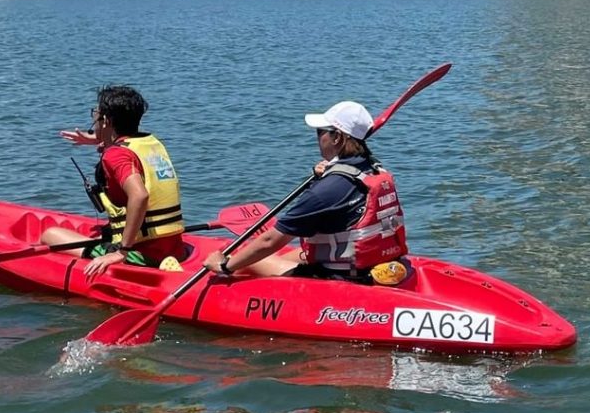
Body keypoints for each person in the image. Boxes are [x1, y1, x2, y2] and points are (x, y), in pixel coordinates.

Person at [202, 99, 407, 283]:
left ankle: (227, 277)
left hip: (344, 277)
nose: (317, 138)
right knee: (291, 255)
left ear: (336, 137)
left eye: (320, 132)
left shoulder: (327, 190)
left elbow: (269, 241)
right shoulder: (374, 169)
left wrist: (225, 265)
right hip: (375, 262)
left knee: (250, 260)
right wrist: (327, 173)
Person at [42, 85, 186, 277]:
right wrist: (97, 138)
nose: (93, 119)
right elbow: (127, 146)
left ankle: (135, 258)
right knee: (104, 232)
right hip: (175, 248)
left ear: (106, 120)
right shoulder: (151, 143)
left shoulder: (115, 155)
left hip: (142, 254)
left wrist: (122, 251)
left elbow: (140, 195)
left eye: (95, 114)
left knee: (50, 234)